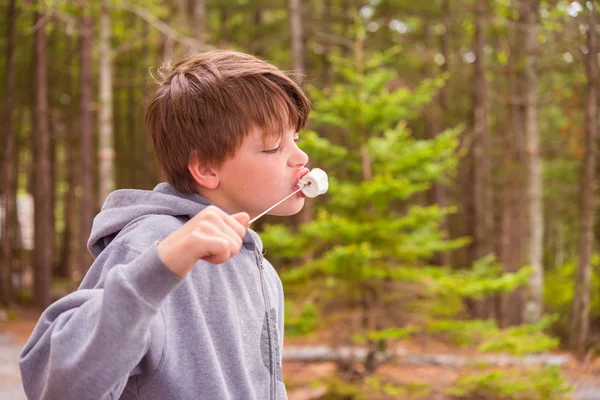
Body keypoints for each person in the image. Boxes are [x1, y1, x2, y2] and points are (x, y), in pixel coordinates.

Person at [19, 50, 312, 400]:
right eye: (273, 146)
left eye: (297, 138)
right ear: (205, 168)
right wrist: (162, 266)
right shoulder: (153, 245)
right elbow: (54, 387)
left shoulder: (261, 270)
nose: (301, 157)